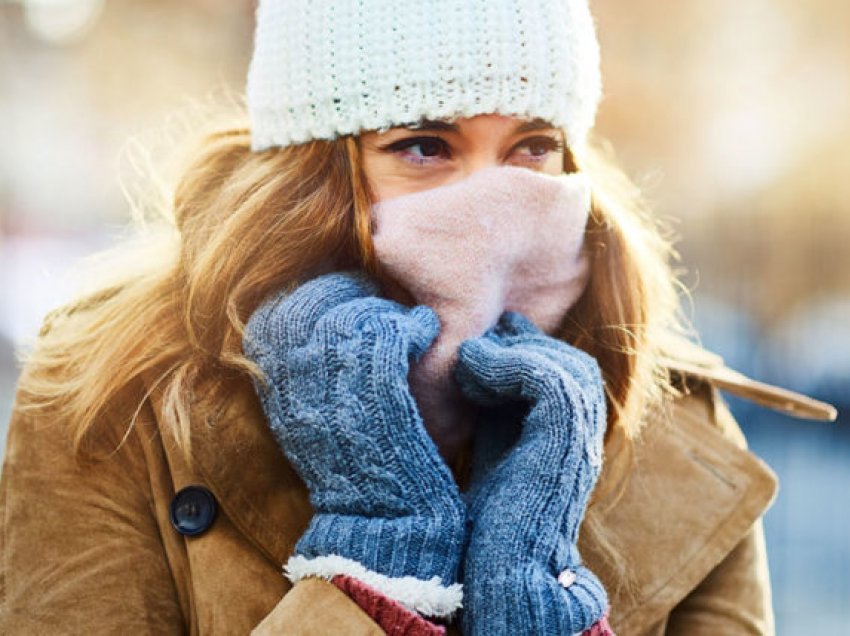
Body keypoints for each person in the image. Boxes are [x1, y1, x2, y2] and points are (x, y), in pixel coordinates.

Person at [0, 1, 837, 634]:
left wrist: (537, 602)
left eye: (532, 146)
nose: (492, 203)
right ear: (312, 172)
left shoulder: (675, 429)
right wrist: (375, 568)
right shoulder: (113, 397)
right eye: (425, 147)